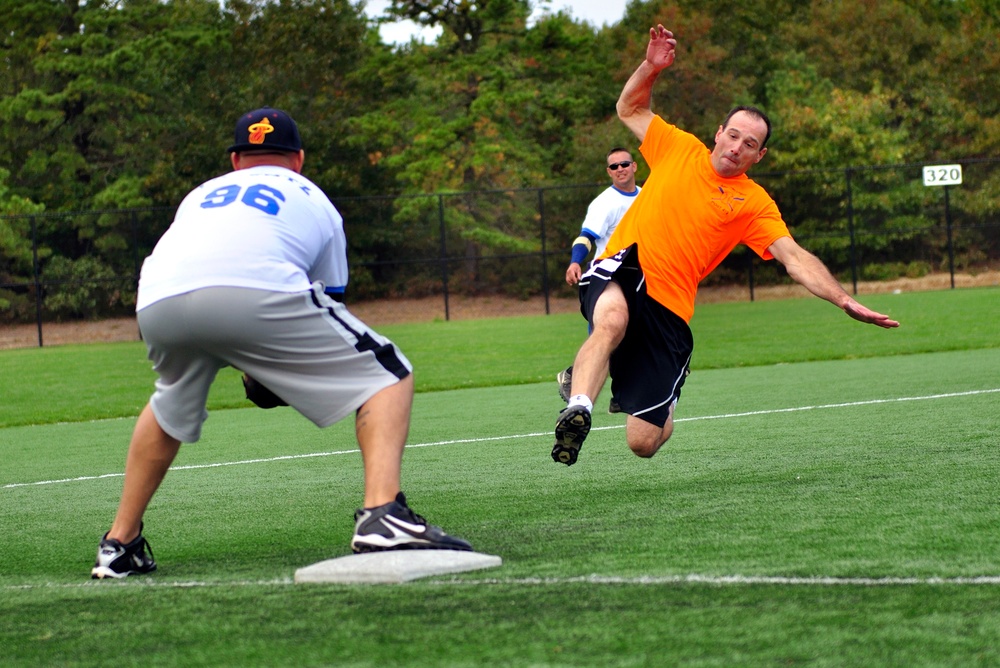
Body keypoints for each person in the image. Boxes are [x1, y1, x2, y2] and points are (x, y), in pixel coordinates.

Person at [91, 107, 471, 579]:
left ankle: (119, 544)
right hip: (255, 287)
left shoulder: (200, 194)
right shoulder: (312, 195)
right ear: (299, 159)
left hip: (157, 299)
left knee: (172, 401)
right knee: (386, 374)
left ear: (234, 160)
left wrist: (258, 365)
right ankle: (382, 515)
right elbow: (327, 303)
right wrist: (266, 374)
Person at [550, 26, 900, 467]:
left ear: (760, 156)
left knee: (643, 443)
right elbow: (629, 106)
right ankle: (578, 406)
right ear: (719, 132)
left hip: (671, 309)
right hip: (625, 265)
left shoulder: (753, 203)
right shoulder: (678, 148)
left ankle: (641, 388)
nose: (737, 147)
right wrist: (651, 68)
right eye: (733, 135)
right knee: (611, 321)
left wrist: (843, 299)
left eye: (749, 144)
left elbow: (793, 256)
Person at [557, 147, 641, 413]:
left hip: (638, 275)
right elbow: (586, 236)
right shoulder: (605, 202)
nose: (620, 169)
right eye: (614, 166)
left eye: (624, 164)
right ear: (608, 172)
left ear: (634, 166)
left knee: (635, 336)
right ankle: (575, 381)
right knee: (606, 335)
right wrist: (574, 260)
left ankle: (620, 395)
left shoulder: (646, 197)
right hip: (608, 276)